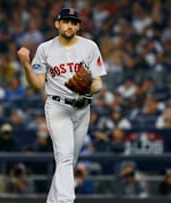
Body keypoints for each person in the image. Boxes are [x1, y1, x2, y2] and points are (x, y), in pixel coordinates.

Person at [17, 7, 107, 203]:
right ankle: (66, 201)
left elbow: (98, 81)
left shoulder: (89, 47)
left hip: (83, 107)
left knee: (69, 162)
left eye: (74, 22)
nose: (69, 25)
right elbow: (38, 84)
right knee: (65, 157)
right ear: (57, 24)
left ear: (78, 26)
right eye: (66, 21)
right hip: (57, 106)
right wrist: (26, 66)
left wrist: (90, 88)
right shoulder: (45, 49)